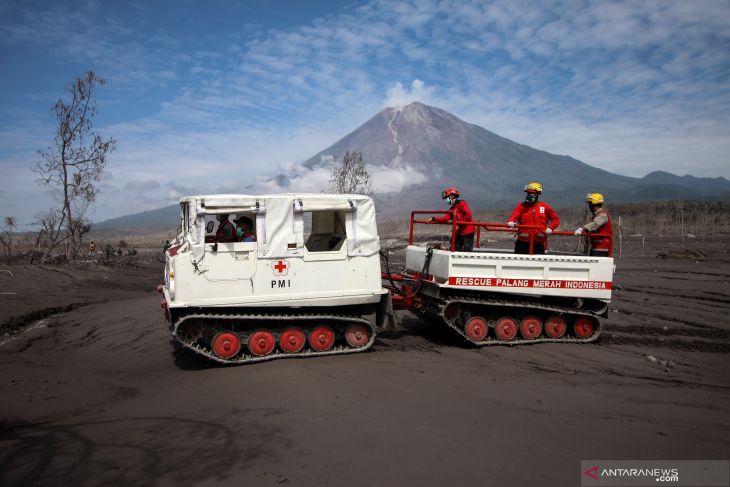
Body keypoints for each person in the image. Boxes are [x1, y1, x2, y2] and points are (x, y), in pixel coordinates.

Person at [507, 182, 560, 254]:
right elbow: (514, 215)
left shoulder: (544, 207)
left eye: (531, 193)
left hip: (538, 243)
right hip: (522, 243)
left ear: (537, 194)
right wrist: (511, 221)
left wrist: (551, 228)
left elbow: (556, 219)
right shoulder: (521, 206)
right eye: (528, 193)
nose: (529, 195)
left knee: (538, 263)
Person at [427, 187, 476, 251]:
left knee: (467, 251)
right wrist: (434, 218)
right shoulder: (451, 209)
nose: (446, 200)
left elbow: (468, 215)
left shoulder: (461, 203)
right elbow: (445, 219)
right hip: (460, 232)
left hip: (468, 231)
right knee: (455, 248)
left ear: (452, 196)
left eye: (447, 198)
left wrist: (459, 223)